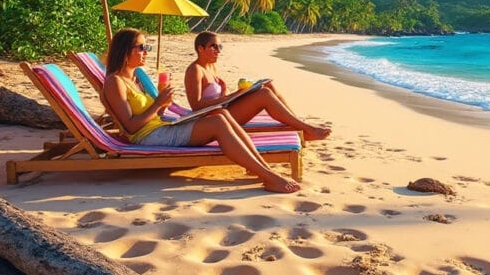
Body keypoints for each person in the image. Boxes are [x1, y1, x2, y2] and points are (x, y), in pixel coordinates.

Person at [101, 28, 300, 193]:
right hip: (149, 136)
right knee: (217, 122)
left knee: (221, 113)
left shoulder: (136, 78)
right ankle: (268, 176)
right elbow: (131, 127)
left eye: (148, 47)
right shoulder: (115, 82)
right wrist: (157, 104)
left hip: (162, 127)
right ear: (125, 50)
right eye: (142, 47)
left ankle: (263, 169)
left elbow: (155, 115)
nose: (147, 51)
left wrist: (163, 105)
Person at [184, 31, 331, 141]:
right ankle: (307, 129)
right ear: (200, 49)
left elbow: (219, 98)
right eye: (214, 47)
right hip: (213, 119)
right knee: (264, 94)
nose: (218, 50)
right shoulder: (195, 70)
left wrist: (225, 91)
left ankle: (300, 125)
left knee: (267, 84)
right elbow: (196, 106)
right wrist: (233, 95)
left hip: (224, 109)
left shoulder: (211, 66)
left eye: (220, 46)